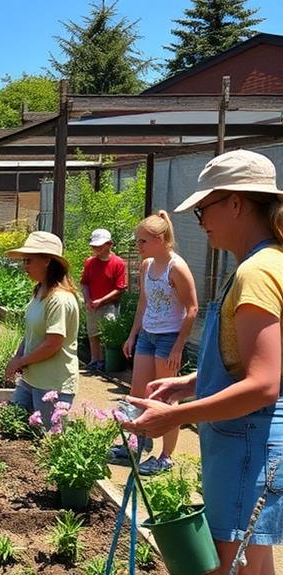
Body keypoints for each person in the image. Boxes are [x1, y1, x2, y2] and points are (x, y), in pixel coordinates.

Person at [124, 150, 283, 572]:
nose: (200, 220)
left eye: (203, 208)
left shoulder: (257, 273)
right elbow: (245, 364)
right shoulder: (265, 264)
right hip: (246, 443)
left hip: (246, 446)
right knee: (254, 563)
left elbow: (264, 384)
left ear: (235, 203)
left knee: (229, 565)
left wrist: (173, 416)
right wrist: (188, 384)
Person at [113, 212, 197, 475]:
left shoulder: (177, 267)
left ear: (160, 239)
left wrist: (178, 346)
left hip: (169, 338)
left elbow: (192, 309)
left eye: (143, 242)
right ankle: (138, 445)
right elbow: (143, 303)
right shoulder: (148, 266)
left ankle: (165, 457)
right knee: (138, 395)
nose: (138, 247)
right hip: (148, 336)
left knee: (165, 399)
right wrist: (132, 334)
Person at [3, 231, 80, 429]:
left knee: (48, 439)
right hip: (31, 379)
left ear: (46, 261)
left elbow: (52, 344)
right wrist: (17, 358)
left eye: (29, 261)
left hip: (51, 384)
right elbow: (31, 334)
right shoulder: (40, 293)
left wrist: (21, 361)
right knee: (13, 425)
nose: (24, 266)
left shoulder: (59, 299)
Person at [80, 228, 128, 372]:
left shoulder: (118, 263)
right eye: (94, 246)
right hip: (92, 305)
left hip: (110, 305)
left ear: (109, 244)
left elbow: (120, 288)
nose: (96, 249)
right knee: (93, 333)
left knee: (107, 335)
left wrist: (101, 300)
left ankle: (107, 363)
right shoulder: (89, 262)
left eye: (99, 246)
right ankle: (95, 361)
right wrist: (88, 300)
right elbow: (84, 283)